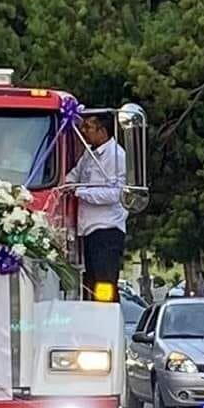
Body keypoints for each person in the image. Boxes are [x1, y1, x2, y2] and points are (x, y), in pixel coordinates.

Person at [66, 113, 127, 301]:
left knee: (104, 284)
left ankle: (107, 315)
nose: (83, 131)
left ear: (102, 131)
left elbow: (115, 194)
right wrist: (65, 184)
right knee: (92, 283)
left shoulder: (116, 156)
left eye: (88, 128)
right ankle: (97, 314)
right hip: (88, 229)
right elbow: (74, 175)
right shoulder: (89, 153)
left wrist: (80, 192)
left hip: (106, 229)